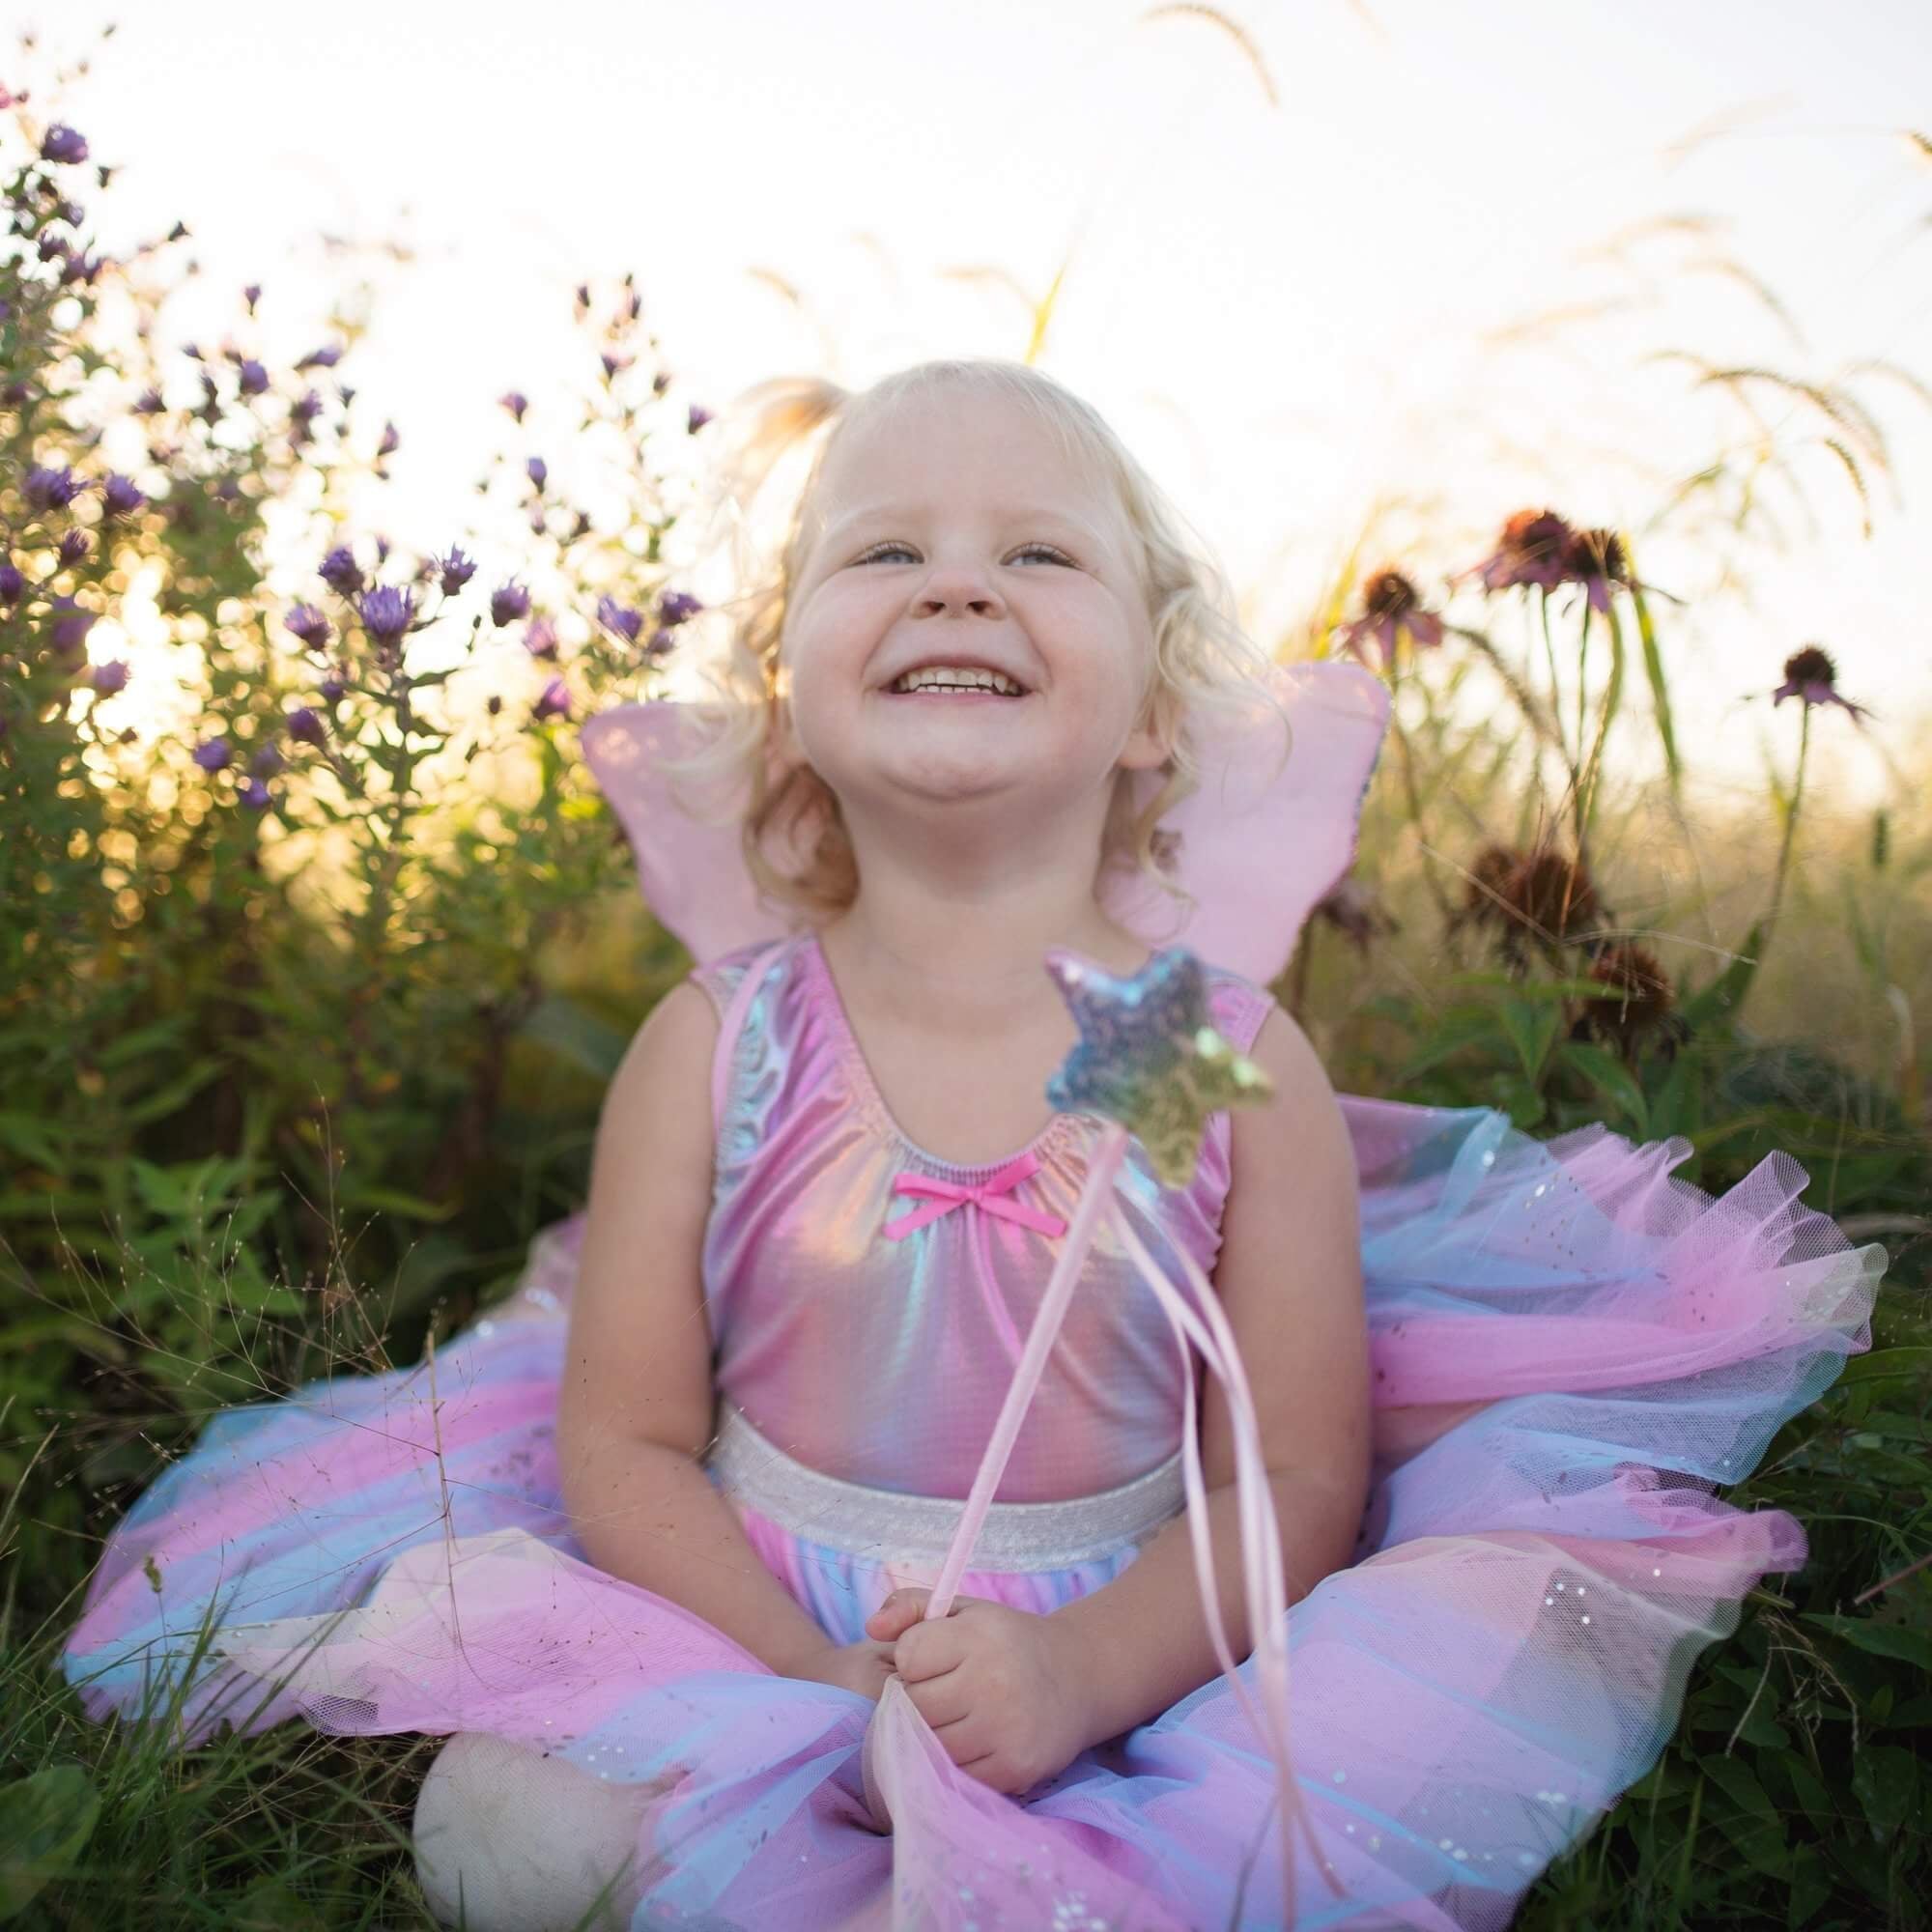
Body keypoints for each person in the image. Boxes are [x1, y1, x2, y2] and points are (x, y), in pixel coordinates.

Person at [62, 359, 1884, 1932]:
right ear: (789, 687)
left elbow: (1293, 1480)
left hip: (1130, 1639)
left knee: (1224, 1859)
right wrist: (814, 1681)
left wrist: (1080, 1675)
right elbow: (618, 1443)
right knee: (503, 1836)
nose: (959, 588)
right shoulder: (724, 1048)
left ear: (1158, 708)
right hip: (748, 1616)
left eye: (1037, 552)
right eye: (884, 551)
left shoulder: (1194, 1059)